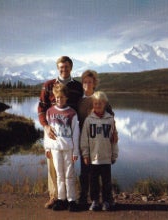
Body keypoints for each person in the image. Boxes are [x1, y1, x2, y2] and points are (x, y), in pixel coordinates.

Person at [37, 56, 83, 208]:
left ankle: (71, 198)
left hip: (70, 134)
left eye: (67, 67)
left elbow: (82, 105)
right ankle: (55, 196)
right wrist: (45, 126)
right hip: (53, 132)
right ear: (58, 68)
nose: (64, 69)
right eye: (61, 67)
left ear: (71, 68)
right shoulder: (49, 85)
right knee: (54, 168)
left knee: (69, 171)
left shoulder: (77, 86)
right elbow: (41, 108)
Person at [77, 70, 117, 209]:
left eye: (90, 81)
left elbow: (111, 117)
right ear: (82, 84)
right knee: (85, 172)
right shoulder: (79, 100)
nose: (87, 84)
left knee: (104, 175)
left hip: (100, 140)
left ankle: (107, 199)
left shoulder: (100, 98)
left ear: (95, 83)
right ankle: (84, 197)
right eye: (85, 82)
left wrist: (115, 133)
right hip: (84, 140)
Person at [44, 84, 79, 212]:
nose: (59, 100)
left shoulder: (72, 113)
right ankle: (61, 199)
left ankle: (71, 200)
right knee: (59, 174)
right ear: (54, 97)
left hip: (68, 147)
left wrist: (76, 151)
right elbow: (47, 131)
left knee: (69, 174)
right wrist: (47, 148)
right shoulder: (50, 112)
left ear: (66, 97)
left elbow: (76, 133)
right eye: (57, 97)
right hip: (55, 148)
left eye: (62, 97)